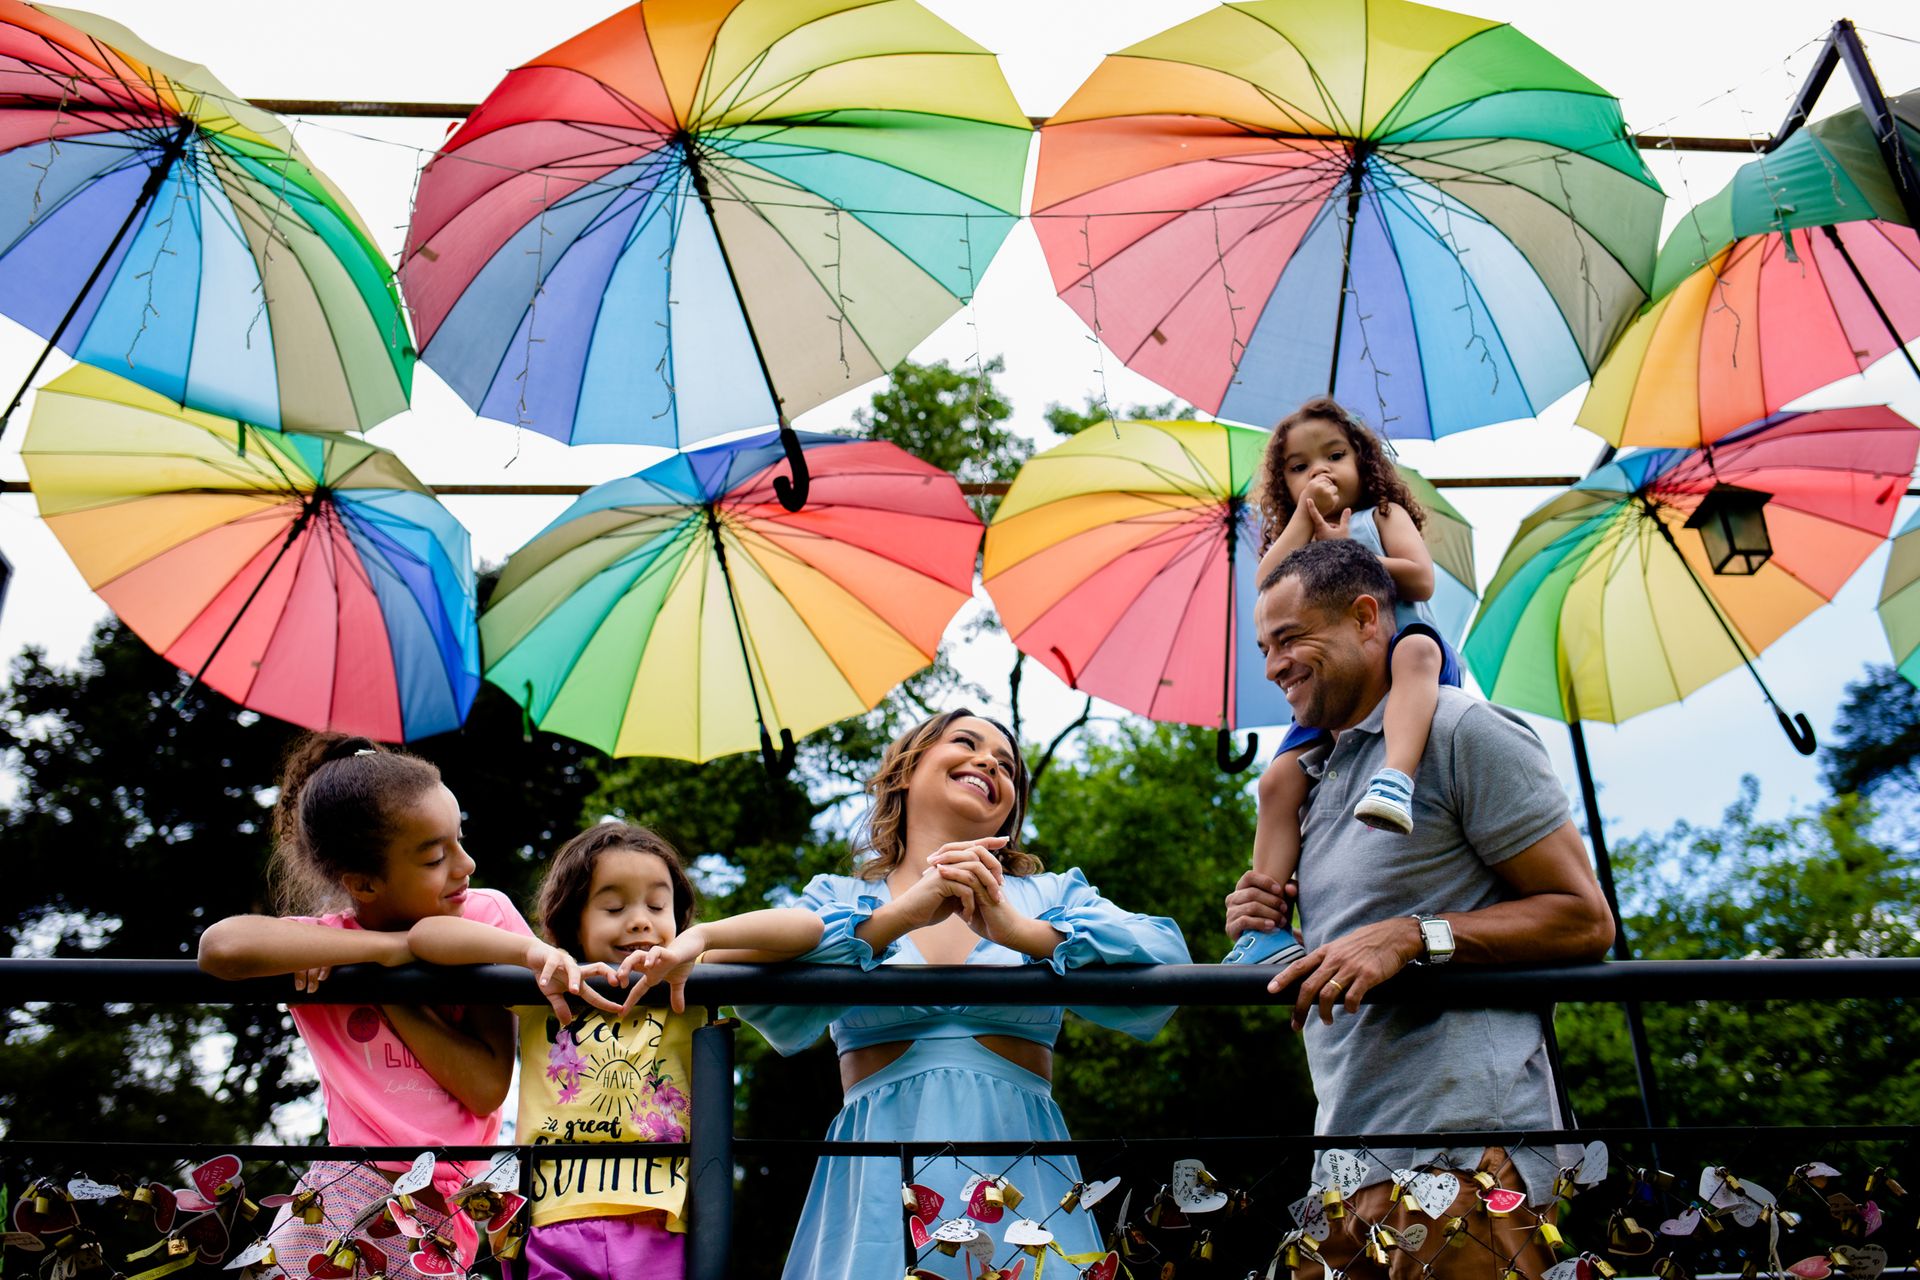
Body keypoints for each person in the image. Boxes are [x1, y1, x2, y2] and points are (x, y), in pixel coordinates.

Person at [1225, 540, 1615, 1280]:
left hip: (1467, 1157)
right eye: (1265, 647)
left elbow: (1584, 918)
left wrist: (1414, 937)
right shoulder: (1307, 778)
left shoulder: (1462, 730)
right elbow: (1361, 944)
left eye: (1290, 639)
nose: (1273, 665)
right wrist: (1280, 934)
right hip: (1342, 1171)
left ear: (1367, 617)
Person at [738, 709, 1190, 1280]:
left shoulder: (1049, 895)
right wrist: (895, 919)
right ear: (906, 770)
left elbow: (1167, 958)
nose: (989, 763)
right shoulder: (840, 896)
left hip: (1021, 1171)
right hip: (880, 1176)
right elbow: (752, 986)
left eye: (1006, 765)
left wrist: (1023, 933)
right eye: (967, 743)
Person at [198, 733, 569, 1280]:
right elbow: (220, 948)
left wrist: (390, 991)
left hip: (439, 1200)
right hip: (342, 1188)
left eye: (459, 841)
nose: (465, 864)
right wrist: (388, 953)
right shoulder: (324, 946)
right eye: (435, 857)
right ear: (364, 883)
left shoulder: (484, 920)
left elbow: (487, 1087)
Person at [409, 820, 823, 1280]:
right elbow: (426, 938)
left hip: (661, 1219)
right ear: (573, 920)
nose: (641, 919)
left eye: (657, 904)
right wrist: (529, 954)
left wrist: (699, 940)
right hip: (549, 1220)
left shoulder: (684, 976)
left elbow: (807, 930)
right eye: (613, 906)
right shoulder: (546, 985)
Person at [1225, 397, 1463, 968]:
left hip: (1406, 646)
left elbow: (1421, 578)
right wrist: (1307, 526)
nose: (1320, 471)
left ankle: (1395, 778)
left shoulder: (1380, 515)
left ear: (1363, 461)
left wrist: (1343, 553)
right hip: (1339, 688)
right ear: (1285, 485)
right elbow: (1265, 581)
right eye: (1300, 466)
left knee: (1414, 660)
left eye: (1334, 455)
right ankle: (1264, 926)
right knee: (1279, 780)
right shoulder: (1300, 536)